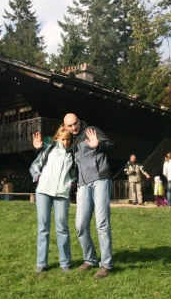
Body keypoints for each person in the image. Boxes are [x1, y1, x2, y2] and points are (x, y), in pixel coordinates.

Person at [33, 113, 115, 278]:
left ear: (79, 121)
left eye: (75, 123)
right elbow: (53, 148)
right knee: (80, 226)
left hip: (100, 180)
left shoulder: (91, 131)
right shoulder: (71, 141)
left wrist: (98, 145)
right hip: (83, 185)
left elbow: (111, 146)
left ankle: (106, 264)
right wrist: (38, 148)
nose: (74, 127)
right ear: (65, 126)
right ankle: (90, 259)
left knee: (102, 224)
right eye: (70, 126)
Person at [29, 126, 76, 273]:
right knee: (43, 227)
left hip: (62, 194)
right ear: (57, 139)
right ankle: (41, 263)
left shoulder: (73, 155)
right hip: (43, 192)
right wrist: (39, 178)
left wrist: (71, 183)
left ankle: (65, 263)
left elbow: (74, 173)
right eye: (63, 139)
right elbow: (34, 166)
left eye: (68, 139)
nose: (66, 142)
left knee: (62, 227)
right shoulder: (48, 150)